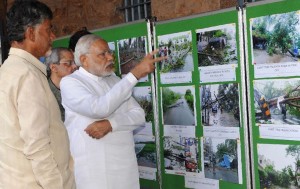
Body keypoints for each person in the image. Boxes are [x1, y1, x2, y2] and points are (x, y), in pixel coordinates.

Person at [60, 34, 166, 189]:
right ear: (84, 60)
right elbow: (99, 108)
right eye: (103, 54)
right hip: (93, 173)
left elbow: (139, 115)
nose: (110, 57)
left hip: (124, 168)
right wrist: (134, 74)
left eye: (109, 52)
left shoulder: (115, 80)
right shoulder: (71, 83)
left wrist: (112, 124)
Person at [0, 1, 75, 189]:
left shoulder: (9, 70)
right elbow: (37, 145)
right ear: (30, 33)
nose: (53, 36)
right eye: (48, 29)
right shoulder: (27, 75)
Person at [45, 47, 77, 121]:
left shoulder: (77, 84)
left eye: (74, 62)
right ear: (53, 68)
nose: (75, 66)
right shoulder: (45, 92)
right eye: (68, 63)